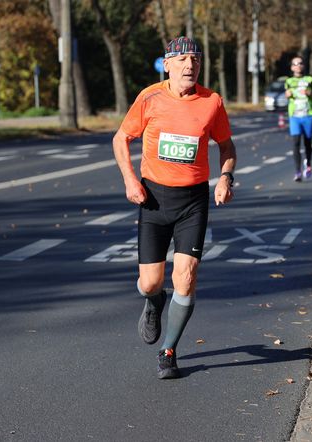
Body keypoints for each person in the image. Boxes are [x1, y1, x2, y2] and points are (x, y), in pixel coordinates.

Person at [112, 36, 237, 379]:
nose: (189, 65)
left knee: (186, 276)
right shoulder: (150, 97)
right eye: (182, 60)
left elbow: (227, 146)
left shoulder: (212, 102)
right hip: (153, 199)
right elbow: (121, 138)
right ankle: (154, 302)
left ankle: (169, 351)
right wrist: (129, 181)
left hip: (192, 202)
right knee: (151, 283)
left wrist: (225, 178)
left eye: (195, 59)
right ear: (167, 64)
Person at [284, 56, 312, 182]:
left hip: (308, 114)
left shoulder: (310, 79)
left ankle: (309, 164)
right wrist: (287, 94)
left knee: (307, 143)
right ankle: (297, 171)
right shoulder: (288, 81)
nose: (297, 65)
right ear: (291, 67)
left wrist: (311, 93)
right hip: (294, 116)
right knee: (295, 143)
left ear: (303, 66)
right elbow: (286, 93)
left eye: (300, 63)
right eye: (295, 64)